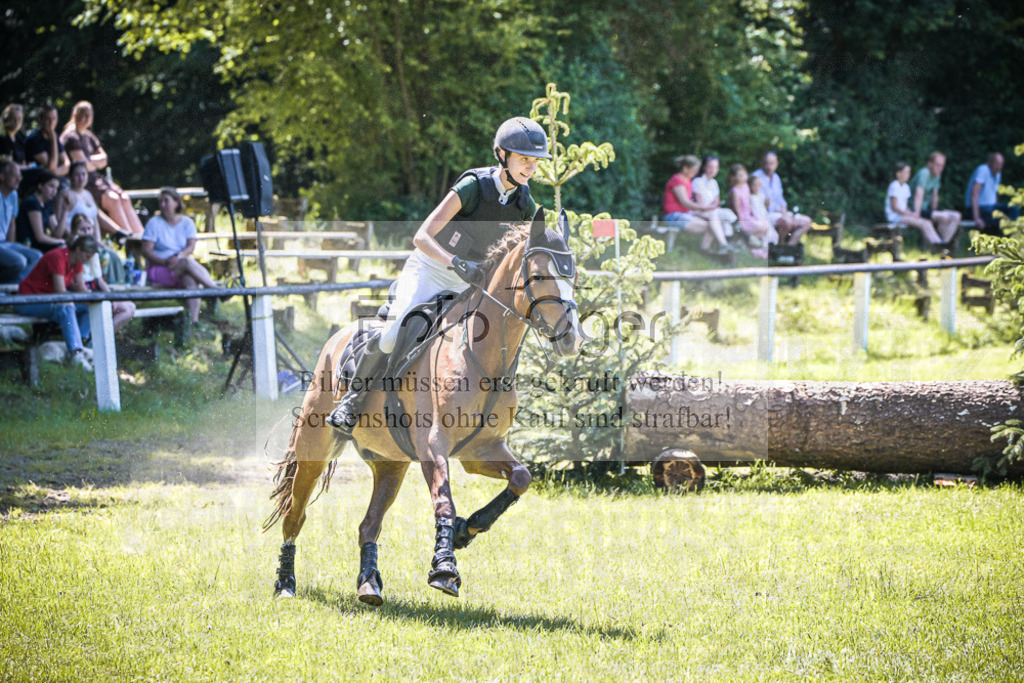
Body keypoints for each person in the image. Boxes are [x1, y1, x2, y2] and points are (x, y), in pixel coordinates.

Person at [328, 116, 551, 436]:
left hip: (470, 283)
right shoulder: (473, 186)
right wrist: (455, 261)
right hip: (430, 268)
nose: (530, 168)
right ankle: (353, 399)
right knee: (394, 331)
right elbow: (422, 236)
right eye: (524, 159)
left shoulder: (523, 202)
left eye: (535, 162)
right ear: (502, 155)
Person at [14, 233, 99, 371]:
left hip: (46, 301)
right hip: (27, 301)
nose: (87, 260)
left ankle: (80, 347)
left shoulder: (76, 263)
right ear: (78, 250)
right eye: (87, 256)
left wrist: (94, 301)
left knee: (88, 308)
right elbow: (61, 292)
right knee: (66, 307)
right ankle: (75, 354)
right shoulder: (58, 257)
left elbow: (81, 290)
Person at [140, 187, 223, 324]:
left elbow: (191, 247)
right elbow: (146, 251)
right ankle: (215, 290)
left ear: (176, 203)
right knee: (187, 263)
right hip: (159, 268)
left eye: (166, 201)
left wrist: (178, 258)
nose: (163, 205)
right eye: (161, 201)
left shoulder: (187, 222)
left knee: (189, 278)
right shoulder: (154, 223)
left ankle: (193, 321)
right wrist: (165, 261)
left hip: (179, 265)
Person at [60, 101, 144, 235]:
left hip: (96, 178)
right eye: (82, 115)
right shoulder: (70, 137)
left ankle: (142, 237)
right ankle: (129, 239)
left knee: (125, 198)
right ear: (74, 115)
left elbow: (104, 159)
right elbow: (83, 164)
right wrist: (92, 162)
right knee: (114, 199)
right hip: (83, 180)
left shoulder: (88, 135)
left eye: (88, 116)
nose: (85, 119)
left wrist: (89, 160)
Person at [70, 214, 135, 330]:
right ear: (74, 231)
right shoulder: (74, 252)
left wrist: (111, 298)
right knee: (114, 307)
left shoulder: (92, 250)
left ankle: (102, 338)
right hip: (82, 294)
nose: (86, 232)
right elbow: (77, 285)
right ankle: (96, 340)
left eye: (89, 229)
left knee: (129, 307)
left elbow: (98, 280)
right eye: (82, 230)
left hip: (94, 291)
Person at [662, 154, 733, 256]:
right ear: (685, 169)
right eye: (694, 170)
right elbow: (685, 202)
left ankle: (721, 245)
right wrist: (706, 207)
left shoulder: (688, 181)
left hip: (684, 214)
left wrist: (707, 209)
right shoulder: (677, 180)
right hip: (674, 216)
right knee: (712, 224)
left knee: (713, 218)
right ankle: (707, 249)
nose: (696, 172)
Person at [751, 151, 812, 246]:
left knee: (806, 221)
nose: (769, 167)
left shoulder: (776, 178)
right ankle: (778, 247)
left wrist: (785, 213)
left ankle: (789, 248)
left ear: (777, 164)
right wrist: (783, 215)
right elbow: (759, 204)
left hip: (780, 213)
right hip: (767, 215)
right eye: (766, 163)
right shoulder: (755, 178)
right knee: (786, 222)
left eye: (771, 164)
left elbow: (781, 200)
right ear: (761, 163)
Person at [0, 160, 42, 284]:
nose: (19, 180)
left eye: (20, 176)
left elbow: (12, 224)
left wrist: (11, 247)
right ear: (2, 176)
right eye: (15, 176)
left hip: (4, 243)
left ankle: (15, 290)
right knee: (19, 261)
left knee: (37, 256)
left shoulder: (13, 194)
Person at [886, 162, 948, 246]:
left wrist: (912, 214)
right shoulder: (894, 186)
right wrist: (910, 214)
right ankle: (938, 246)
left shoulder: (906, 187)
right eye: (906, 172)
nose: (908, 175)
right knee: (924, 223)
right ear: (898, 173)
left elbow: (905, 206)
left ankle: (938, 244)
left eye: (909, 172)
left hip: (903, 216)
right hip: (895, 217)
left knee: (927, 222)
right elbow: (895, 207)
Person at [908, 151, 961, 243]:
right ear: (929, 164)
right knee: (944, 216)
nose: (940, 168)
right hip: (914, 209)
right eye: (937, 165)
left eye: (942, 165)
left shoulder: (937, 176)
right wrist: (917, 213)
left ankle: (944, 244)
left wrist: (935, 214)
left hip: (926, 210)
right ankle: (941, 246)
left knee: (956, 216)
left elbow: (935, 197)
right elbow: (918, 195)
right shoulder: (924, 173)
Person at [964, 152, 1019, 236]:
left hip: (991, 208)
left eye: (1001, 164)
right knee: (1000, 219)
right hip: (978, 208)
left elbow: (994, 194)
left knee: (1013, 208)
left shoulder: (997, 174)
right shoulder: (983, 170)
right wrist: (977, 218)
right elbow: (974, 194)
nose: (999, 167)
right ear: (990, 162)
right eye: (997, 163)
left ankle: (1015, 236)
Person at [727, 164, 775, 258]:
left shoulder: (745, 186)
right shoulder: (735, 191)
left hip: (749, 216)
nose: (744, 177)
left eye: (744, 175)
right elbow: (738, 210)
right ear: (734, 177)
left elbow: (749, 205)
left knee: (765, 227)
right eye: (740, 176)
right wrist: (742, 224)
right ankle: (748, 245)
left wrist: (754, 216)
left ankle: (752, 248)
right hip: (742, 219)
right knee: (761, 227)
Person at [15, 169, 67, 253]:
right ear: (40, 185)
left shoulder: (47, 204)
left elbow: (57, 233)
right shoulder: (32, 202)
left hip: (40, 244)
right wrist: (61, 242)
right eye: (51, 186)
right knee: (63, 249)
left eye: (56, 188)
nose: (54, 191)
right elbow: (40, 237)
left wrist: (65, 211)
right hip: (29, 244)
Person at [692, 155, 737, 236]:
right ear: (704, 167)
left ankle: (727, 243)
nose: (713, 170)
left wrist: (713, 207)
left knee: (725, 219)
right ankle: (739, 238)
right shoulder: (697, 181)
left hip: (712, 210)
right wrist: (712, 208)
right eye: (710, 167)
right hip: (701, 211)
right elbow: (699, 203)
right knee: (726, 215)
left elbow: (716, 201)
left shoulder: (714, 182)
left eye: (716, 167)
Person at [24, 103, 71, 180]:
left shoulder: (55, 137)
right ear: (40, 119)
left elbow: (67, 164)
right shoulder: (33, 139)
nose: (51, 122)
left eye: (54, 118)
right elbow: (51, 167)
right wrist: (53, 139)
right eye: (48, 119)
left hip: (54, 178)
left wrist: (54, 173)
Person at [0, 104, 29, 169]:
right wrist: (24, 167)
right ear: (6, 119)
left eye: (19, 119)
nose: (16, 122)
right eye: (13, 119)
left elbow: (24, 159)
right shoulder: (2, 137)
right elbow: (6, 162)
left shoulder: (19, 137)